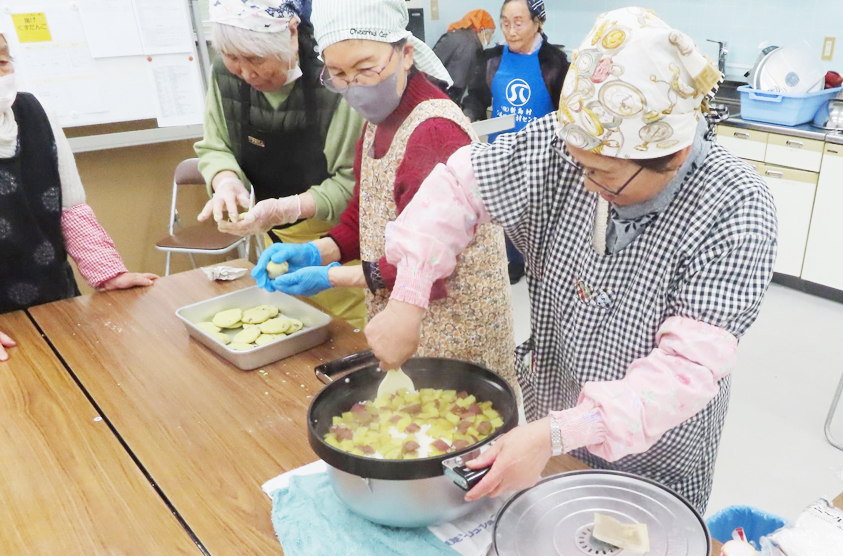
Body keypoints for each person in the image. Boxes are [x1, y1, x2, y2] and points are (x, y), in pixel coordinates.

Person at [365, 7, 778, 513]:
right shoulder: (568, 146)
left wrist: (561, 432)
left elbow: (686, 369)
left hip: (657, 452)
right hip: (551, 418)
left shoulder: (737, 206)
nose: (584, 185)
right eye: (578, 164)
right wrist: (408, 297)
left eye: (602, 173)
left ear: (673, 154)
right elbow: (458, 185)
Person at [251, 0, 516, 386]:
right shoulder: (378, 122)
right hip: (406, 324)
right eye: (338, 74)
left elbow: (426, 263)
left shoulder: (434, 131)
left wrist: (331, 277)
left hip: (454, 335)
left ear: (405, 54)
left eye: (365, 68)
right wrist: (317, 251)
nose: (353, 87)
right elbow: (366, 217)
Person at [195, 0, 367, 329]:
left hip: (343, 241)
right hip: (277, 238)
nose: (246, 73)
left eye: (256, 58)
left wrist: (286, 209)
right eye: (233, 58)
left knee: (345, 335)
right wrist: (226, 181)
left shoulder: (333, 77)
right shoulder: (223, 74)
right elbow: (215, 145)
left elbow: (352, 182)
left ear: (290, 32)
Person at [0, 33, 157, 361]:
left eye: (2, 62)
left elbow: (70, 207)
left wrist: (109, 272)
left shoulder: (37, 113)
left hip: (54, 295)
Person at [462, 0, 569, 285]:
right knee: (503, 211)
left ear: (537, 22)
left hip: (541, 158)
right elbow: (477, 97)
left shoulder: (555, 62)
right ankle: (513, 260)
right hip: (501, 153)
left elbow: (566, 110)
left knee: (538, 215)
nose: (510, 30)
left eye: (518, 22)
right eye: (505, 22)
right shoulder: (491, 59)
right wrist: (469, 114)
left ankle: (542, 262)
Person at [432, 10, 496, 104]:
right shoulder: (470, 46)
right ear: (481, 31)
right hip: (439, 97)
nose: (489, 41)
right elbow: (456, 86)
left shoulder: (457, 35)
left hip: (428, 89)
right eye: (490, 35)